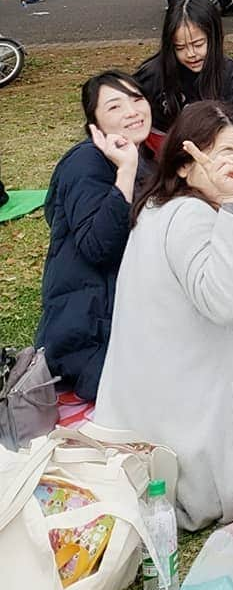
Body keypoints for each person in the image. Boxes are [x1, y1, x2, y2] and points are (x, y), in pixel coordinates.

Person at [94, 101, 233, 530]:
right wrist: (232, 206)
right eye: (225, 154)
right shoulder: (191, 216)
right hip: (193, 436)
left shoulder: (158, 205)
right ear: (186, 163)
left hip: (152, 403)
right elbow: (230, 306)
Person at [37, 73, 157, 400]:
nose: (132, 111)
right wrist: (125, 172)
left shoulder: (145, 158)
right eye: (115, 106)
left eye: (136, 99)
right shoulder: (85, 162)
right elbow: (98, 246)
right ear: (96, 123)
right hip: (88, 334)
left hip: (129, 316)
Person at [134, 0, 233, 135]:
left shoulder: (228, 72)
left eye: (198, 44)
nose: (190, 54)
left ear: (214, 38)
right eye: (180, 47)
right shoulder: (152, 74)